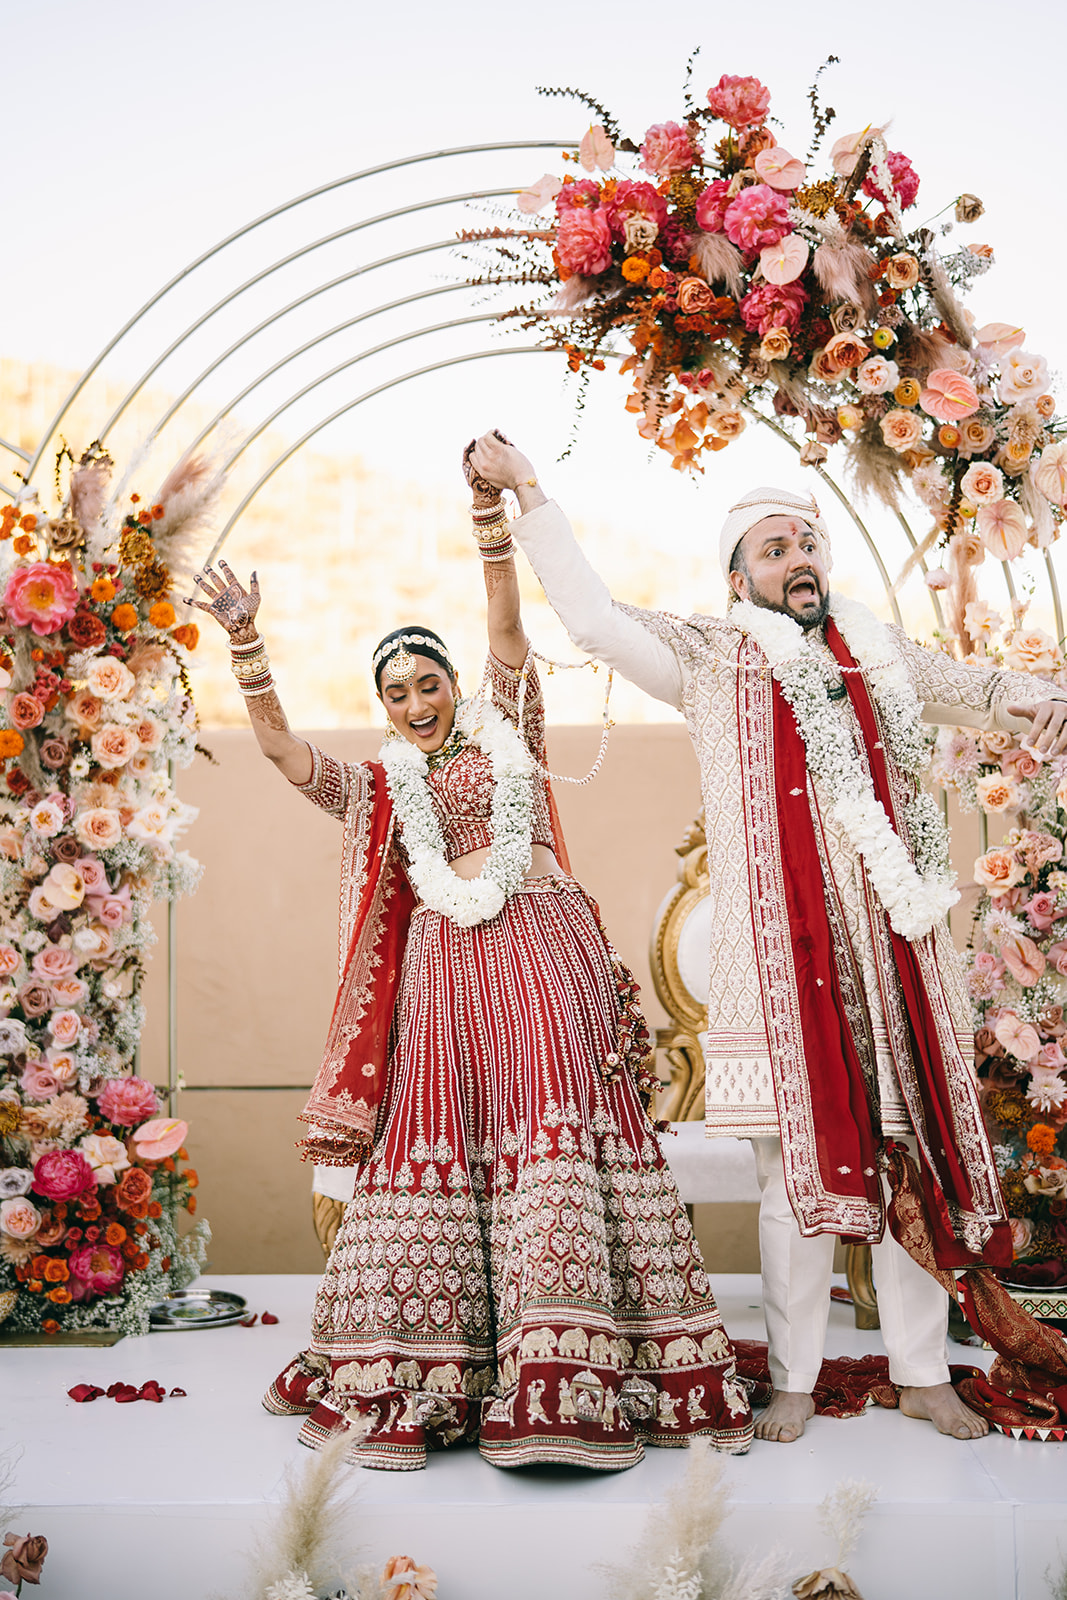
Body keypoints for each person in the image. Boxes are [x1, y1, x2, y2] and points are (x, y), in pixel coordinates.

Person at [464, 429, 1067, 1445]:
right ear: (739, 573)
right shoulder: (706, 657)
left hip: (889, 963)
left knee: (902, 1160)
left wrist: (1045, 704)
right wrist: (529, 489)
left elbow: (977, 688)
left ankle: (922, 1372)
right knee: (792, 1181)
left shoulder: (876, 655)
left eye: (808, 543)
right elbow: (592, 618)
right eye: (776, 547)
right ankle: (792, 1375)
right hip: (773, 976)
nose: (800, 559)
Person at [185, 459, 754, 1471]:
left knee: (551, 1124)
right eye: (394, 691)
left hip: (542, 947)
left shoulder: (508, 731)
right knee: (446, 1128)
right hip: (444, 970)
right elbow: (277, 753)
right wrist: (246, 644)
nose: (414, 701)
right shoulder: (377, 787)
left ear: (453, 684)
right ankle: (433, 1361)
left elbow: (505, 633)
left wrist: (488, 520)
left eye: (426, 682)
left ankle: (568, 1361)